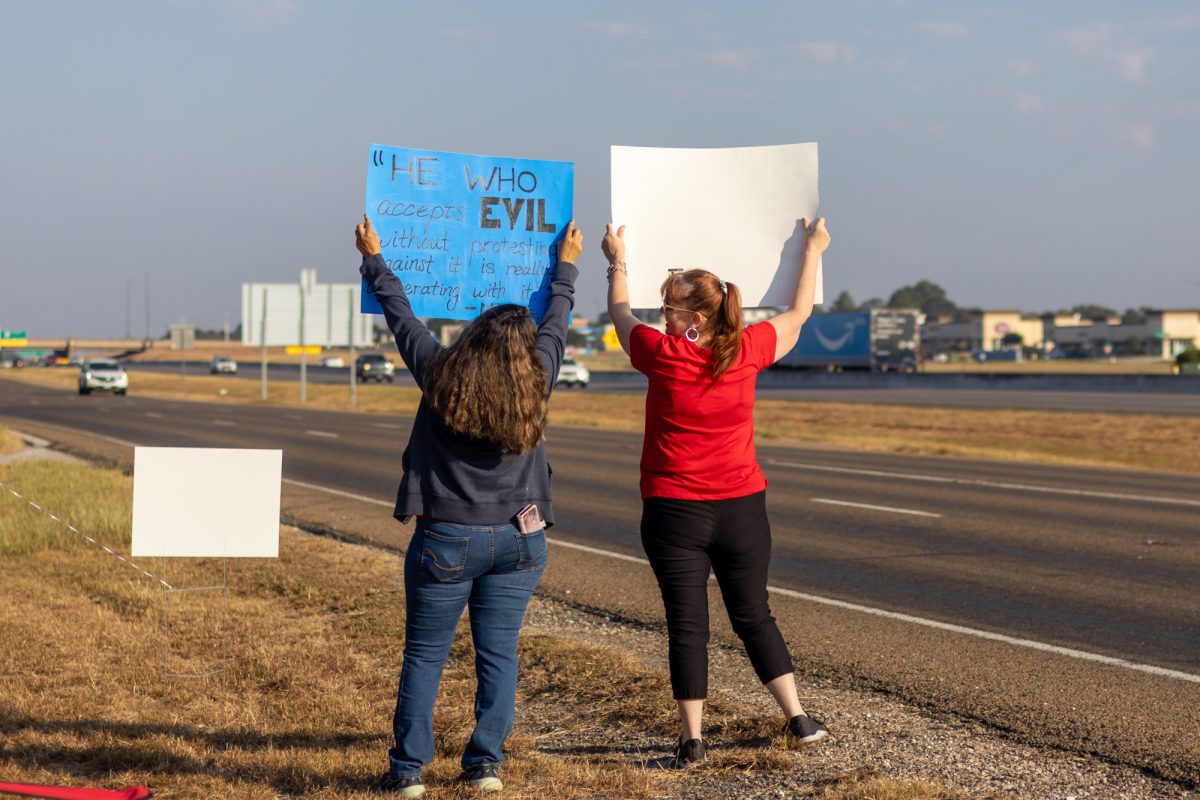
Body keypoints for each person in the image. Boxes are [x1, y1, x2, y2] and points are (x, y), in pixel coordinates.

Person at [357, 215, 582, 797]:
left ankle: (409, 773)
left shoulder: (438, 374)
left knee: (425, 656)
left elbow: (402, 319)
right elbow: (557, 320)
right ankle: (485, 765)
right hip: (520, 539)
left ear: (475, 338)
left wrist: (375, 259)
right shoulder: (541, 378)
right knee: (499, 655)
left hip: (446, 541)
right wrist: (567, 265)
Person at [600, 218, 832, 767]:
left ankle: (693, 739)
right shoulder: (747, 350)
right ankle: (798, 718)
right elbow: (799, 314)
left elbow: (617, 312)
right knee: (754, 614)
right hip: (742, 509)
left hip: (673, 511)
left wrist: (618, 258)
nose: (662, 313)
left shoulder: (662, 355)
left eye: (670, 307)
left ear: (694, 318)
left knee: (688, 626)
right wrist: (814, 250)